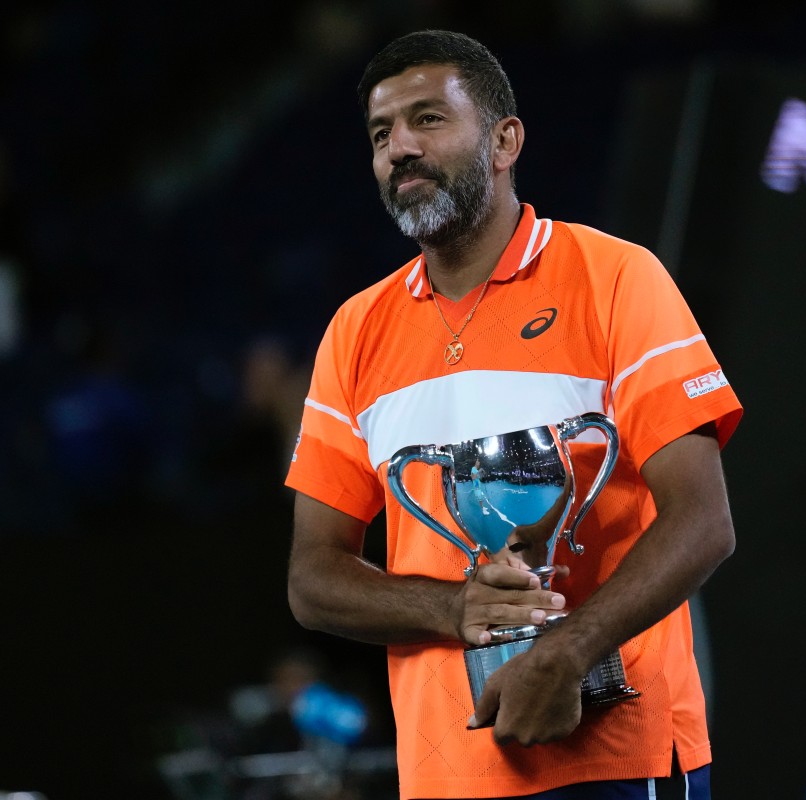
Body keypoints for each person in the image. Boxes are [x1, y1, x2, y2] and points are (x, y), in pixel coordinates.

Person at [285, 30, 742, 800]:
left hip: (616, 754)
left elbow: (703, 522)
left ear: (505, 140)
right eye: (380, 133)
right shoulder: (355, 332)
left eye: (427, 119)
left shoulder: (617, 277)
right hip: (443, 773)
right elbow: (313, 579)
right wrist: (453, 607)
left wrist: (565, 652)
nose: (399, 148)